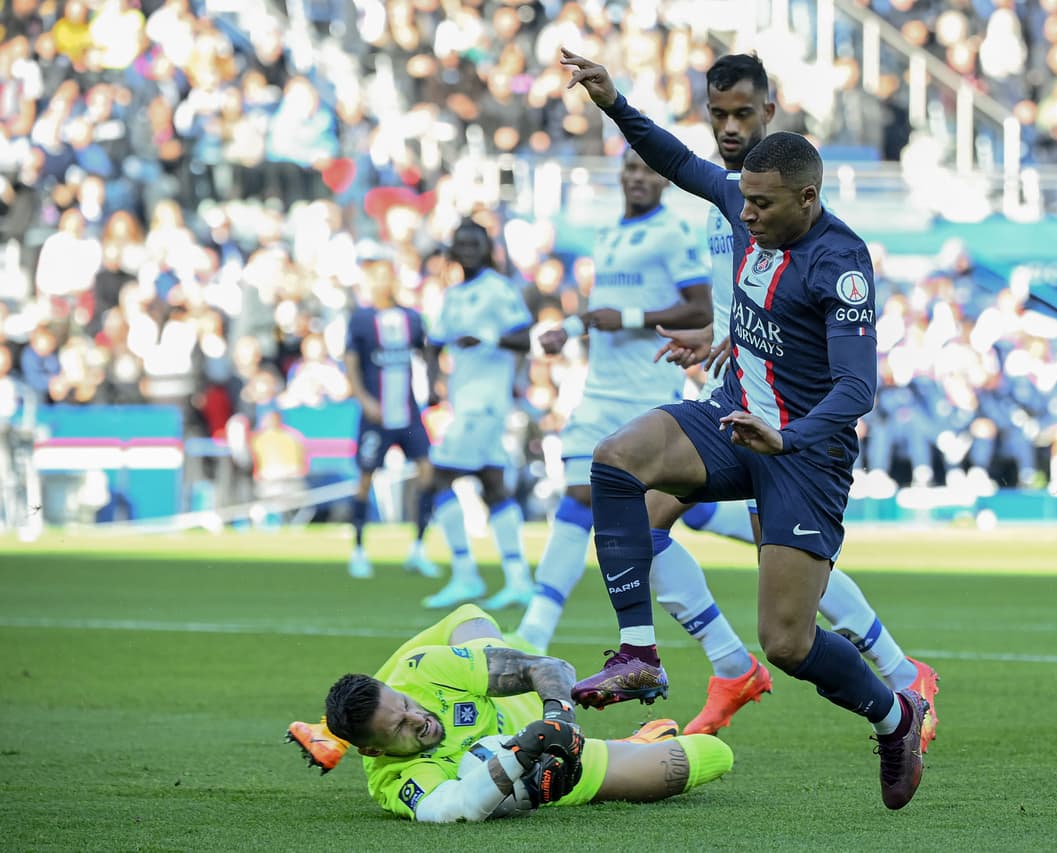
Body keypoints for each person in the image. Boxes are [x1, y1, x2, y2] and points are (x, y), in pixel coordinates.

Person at [560, 48, 928, 810]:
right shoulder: (743, 205)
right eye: (743, 201)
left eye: (761, 205)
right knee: (614, 464)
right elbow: (676, 159)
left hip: (804, 456)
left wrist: (785, 437)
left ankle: (896, 715)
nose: (745, 214)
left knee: (787, 643)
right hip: (735, 419)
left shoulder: (842, 262)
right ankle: (638, 652)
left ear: (806, 196)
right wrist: (613, 103)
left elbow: (858, 385)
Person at [644, 53, 940, 741]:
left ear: (769, 113)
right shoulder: (725, 191)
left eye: (742, 113)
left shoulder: (793, 200)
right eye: (717, 114)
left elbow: (807, 311)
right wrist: (721, 338)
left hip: (785, 409)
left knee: (778, 568)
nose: (727, 126)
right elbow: (742, 291)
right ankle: (741, 666)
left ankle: (895, 677)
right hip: (735, 385)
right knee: (646, 512)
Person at [513, 149, 729, 664]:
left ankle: (753, 536)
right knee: (583, 494)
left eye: (647, 169)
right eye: (630, 168)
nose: (637, 177)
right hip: (599, 391)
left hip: (645, 392)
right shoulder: (607, 235)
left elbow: (700, 308)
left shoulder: (672, 233)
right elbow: (603, 313)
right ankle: (533, 632)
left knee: (657, 509)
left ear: (663, 180)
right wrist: (566, 329)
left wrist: (629, 316)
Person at [284, 604, 734, 822]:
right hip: (550, 765)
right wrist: (525, 755)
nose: (417, 718)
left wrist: (560, 720)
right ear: (373, 750)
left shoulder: (420, 673)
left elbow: (550, 669)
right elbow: (455, 806)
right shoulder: (393, 781)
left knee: (468, 618)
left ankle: (331, 730)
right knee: (710, 756)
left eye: (406, 706)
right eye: (400, 727)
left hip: (532, 701)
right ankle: (633, 745)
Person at [420, 218, 536, 612]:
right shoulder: (453, 296)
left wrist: (486, 337)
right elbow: (433, 342)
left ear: (487, 249)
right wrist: (434, 384)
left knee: (437, 479)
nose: (468, 249)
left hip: (485, 402)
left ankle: (466, 573)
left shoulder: (498, 290)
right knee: (492, 485)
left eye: (475, 243)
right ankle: (519, 579)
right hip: (464, 400)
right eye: (461, 243)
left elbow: (524, 335)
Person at [343, 255, 437, 579]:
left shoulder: (412, 318)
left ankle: (418, 548)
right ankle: (358, 549)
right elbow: (351, 363)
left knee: (428, 473)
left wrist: (436, 384)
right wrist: (364, 399)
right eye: (377, 276)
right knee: (365, 479)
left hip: (408, 414)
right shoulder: (361, 320)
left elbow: (427, 352)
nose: (383, 282)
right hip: (376, 415)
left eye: (388, 275)